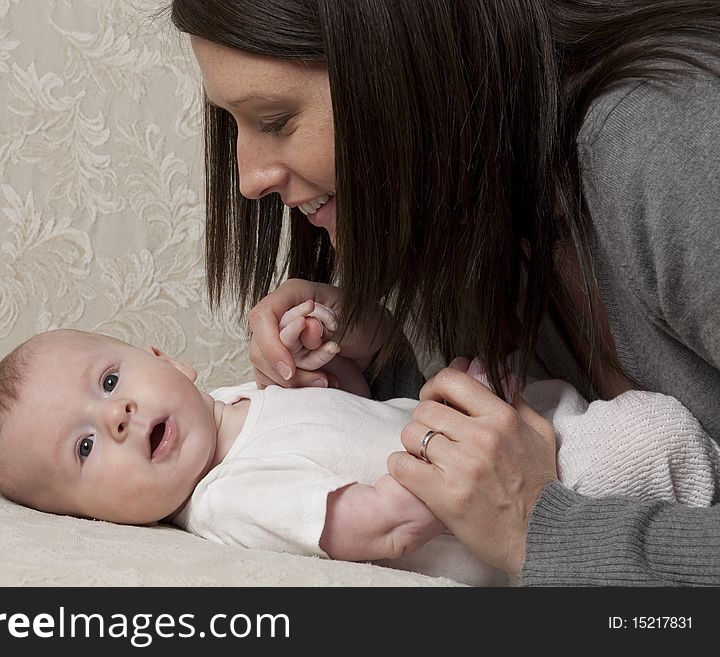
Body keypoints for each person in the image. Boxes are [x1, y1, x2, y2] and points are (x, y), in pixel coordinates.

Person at [168, 0, 720, 585]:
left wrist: (540, 530)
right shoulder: (469, 212)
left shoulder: (669, 149)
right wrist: (381, 370)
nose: (248, 178)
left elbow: (541, 503)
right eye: (233, 123)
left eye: (275, 120)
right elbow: (561, 447)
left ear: (403, 63)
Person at [0, 318, 720, 587]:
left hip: (538, 435)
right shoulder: (229, 498)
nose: (119, 417)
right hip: (553, 497)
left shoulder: (243, 397)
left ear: (167, 357)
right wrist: (459, 413)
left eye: (109, 380)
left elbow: (350, 423)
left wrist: (336, 366)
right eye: (83, 447)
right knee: (647, 436)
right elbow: (376, 525)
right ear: (94, 518)